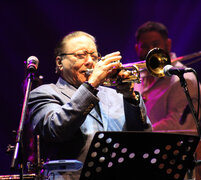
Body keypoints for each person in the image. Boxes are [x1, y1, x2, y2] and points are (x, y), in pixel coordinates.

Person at [28, 31, 151, 179]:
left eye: (94, 56)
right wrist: (91, 85)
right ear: (59, 63)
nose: (89, 62)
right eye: (81, 55)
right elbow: (56, 129)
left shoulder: (116, 95)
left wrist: (129, 97)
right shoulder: (44, 93)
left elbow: (144, 140)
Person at [134, 21, 201, 131]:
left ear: (168, 44)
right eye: (145, 46)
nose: (150, 50)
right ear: (137, 48)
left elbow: (179, 123)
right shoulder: (136, 77)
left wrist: (141, 133)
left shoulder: (184, 77)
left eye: (155, 44)